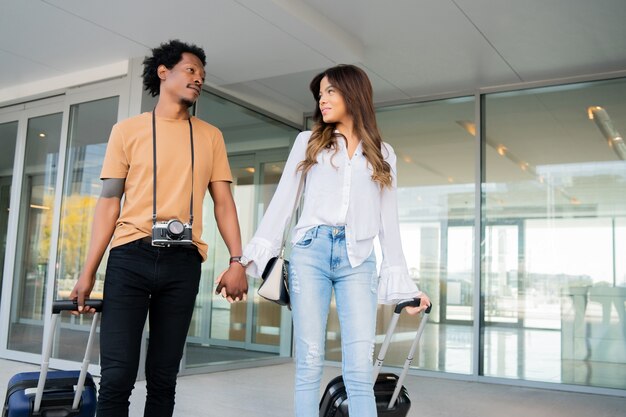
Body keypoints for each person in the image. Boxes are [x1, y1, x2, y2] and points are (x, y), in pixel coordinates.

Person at [239, 64, 431, 417]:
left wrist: (405, 287)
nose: (322, 99)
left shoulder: (383, 154)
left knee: (359, 368)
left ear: (353, 94)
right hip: (310, 252)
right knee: (310, 361)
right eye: (320, 93)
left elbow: (389, 223)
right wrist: (248, 259)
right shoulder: (308, 142)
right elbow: (284, 201)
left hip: (358, 257)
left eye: (330, 91)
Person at [69, 39, 248, 417]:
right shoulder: (127, 131)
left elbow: (224, 203)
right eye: (190, 70)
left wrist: (237, 261)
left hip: (184, 263)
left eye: (202, 74)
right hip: (130, 257)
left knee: (164, 379)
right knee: (117, 377)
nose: (198, 78)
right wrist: (88, 272)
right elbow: (107, 203)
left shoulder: (211, 136)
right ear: (163, 73)